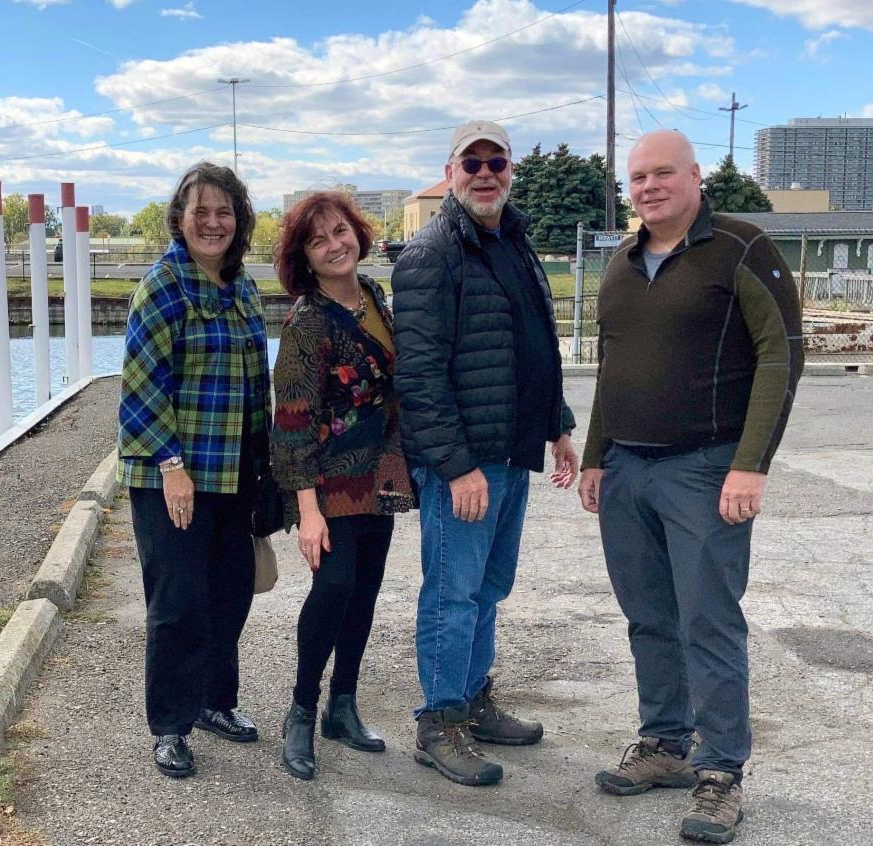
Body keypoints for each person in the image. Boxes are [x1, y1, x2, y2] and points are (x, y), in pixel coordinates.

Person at [577, 130, 804, 844]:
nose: (648, 187)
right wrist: (595, 455)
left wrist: (751, 463)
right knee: (648, 616)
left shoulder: (740, 247)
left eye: (662, 173)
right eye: (638, 177)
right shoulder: (621, 264)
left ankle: (721, 772)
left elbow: (781, 355)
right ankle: (665, 743)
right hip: (627, 471)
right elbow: (611, 367)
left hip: (705, 469)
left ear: (695, 176)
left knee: (708, 620)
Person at [392, 120, 578, 787]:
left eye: (495, 162)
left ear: (510, 170)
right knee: (453, 592)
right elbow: (419, 377)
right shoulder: (431, 254)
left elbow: (534, 342)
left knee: (488, 589)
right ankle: (439, 722)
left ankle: (471, 700)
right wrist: (456, 466)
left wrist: (557, 424)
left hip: (511, 450)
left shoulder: (514, 242)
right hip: (466, 464)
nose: (484, 173)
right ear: (451, 173)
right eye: (470, 163)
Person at [117, 161, 270, 778]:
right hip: (172, 476)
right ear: (179, 219)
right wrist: (171, 465)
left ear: (239, 221)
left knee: (230, 594)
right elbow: (140, 388)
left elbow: (256, 385)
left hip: (233, 473)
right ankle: (171, 726)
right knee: (178, 603)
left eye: (223, 212)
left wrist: (268, 466)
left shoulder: (243, 288)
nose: (212, 222)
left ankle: (213, 702)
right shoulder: (163, 286)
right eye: (199, 211)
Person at [271, 192, 415, 781]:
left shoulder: (374, 297)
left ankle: (343, 706)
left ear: (357, 233)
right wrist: (307, 510)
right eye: (318, 240)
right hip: (327, 481)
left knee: (365, 592)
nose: (334, 246)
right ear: (304, 257)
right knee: (333, 587)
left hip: (378, 473)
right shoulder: (307, 323)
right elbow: (292, 421)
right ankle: (302, 710)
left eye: (340, 232)